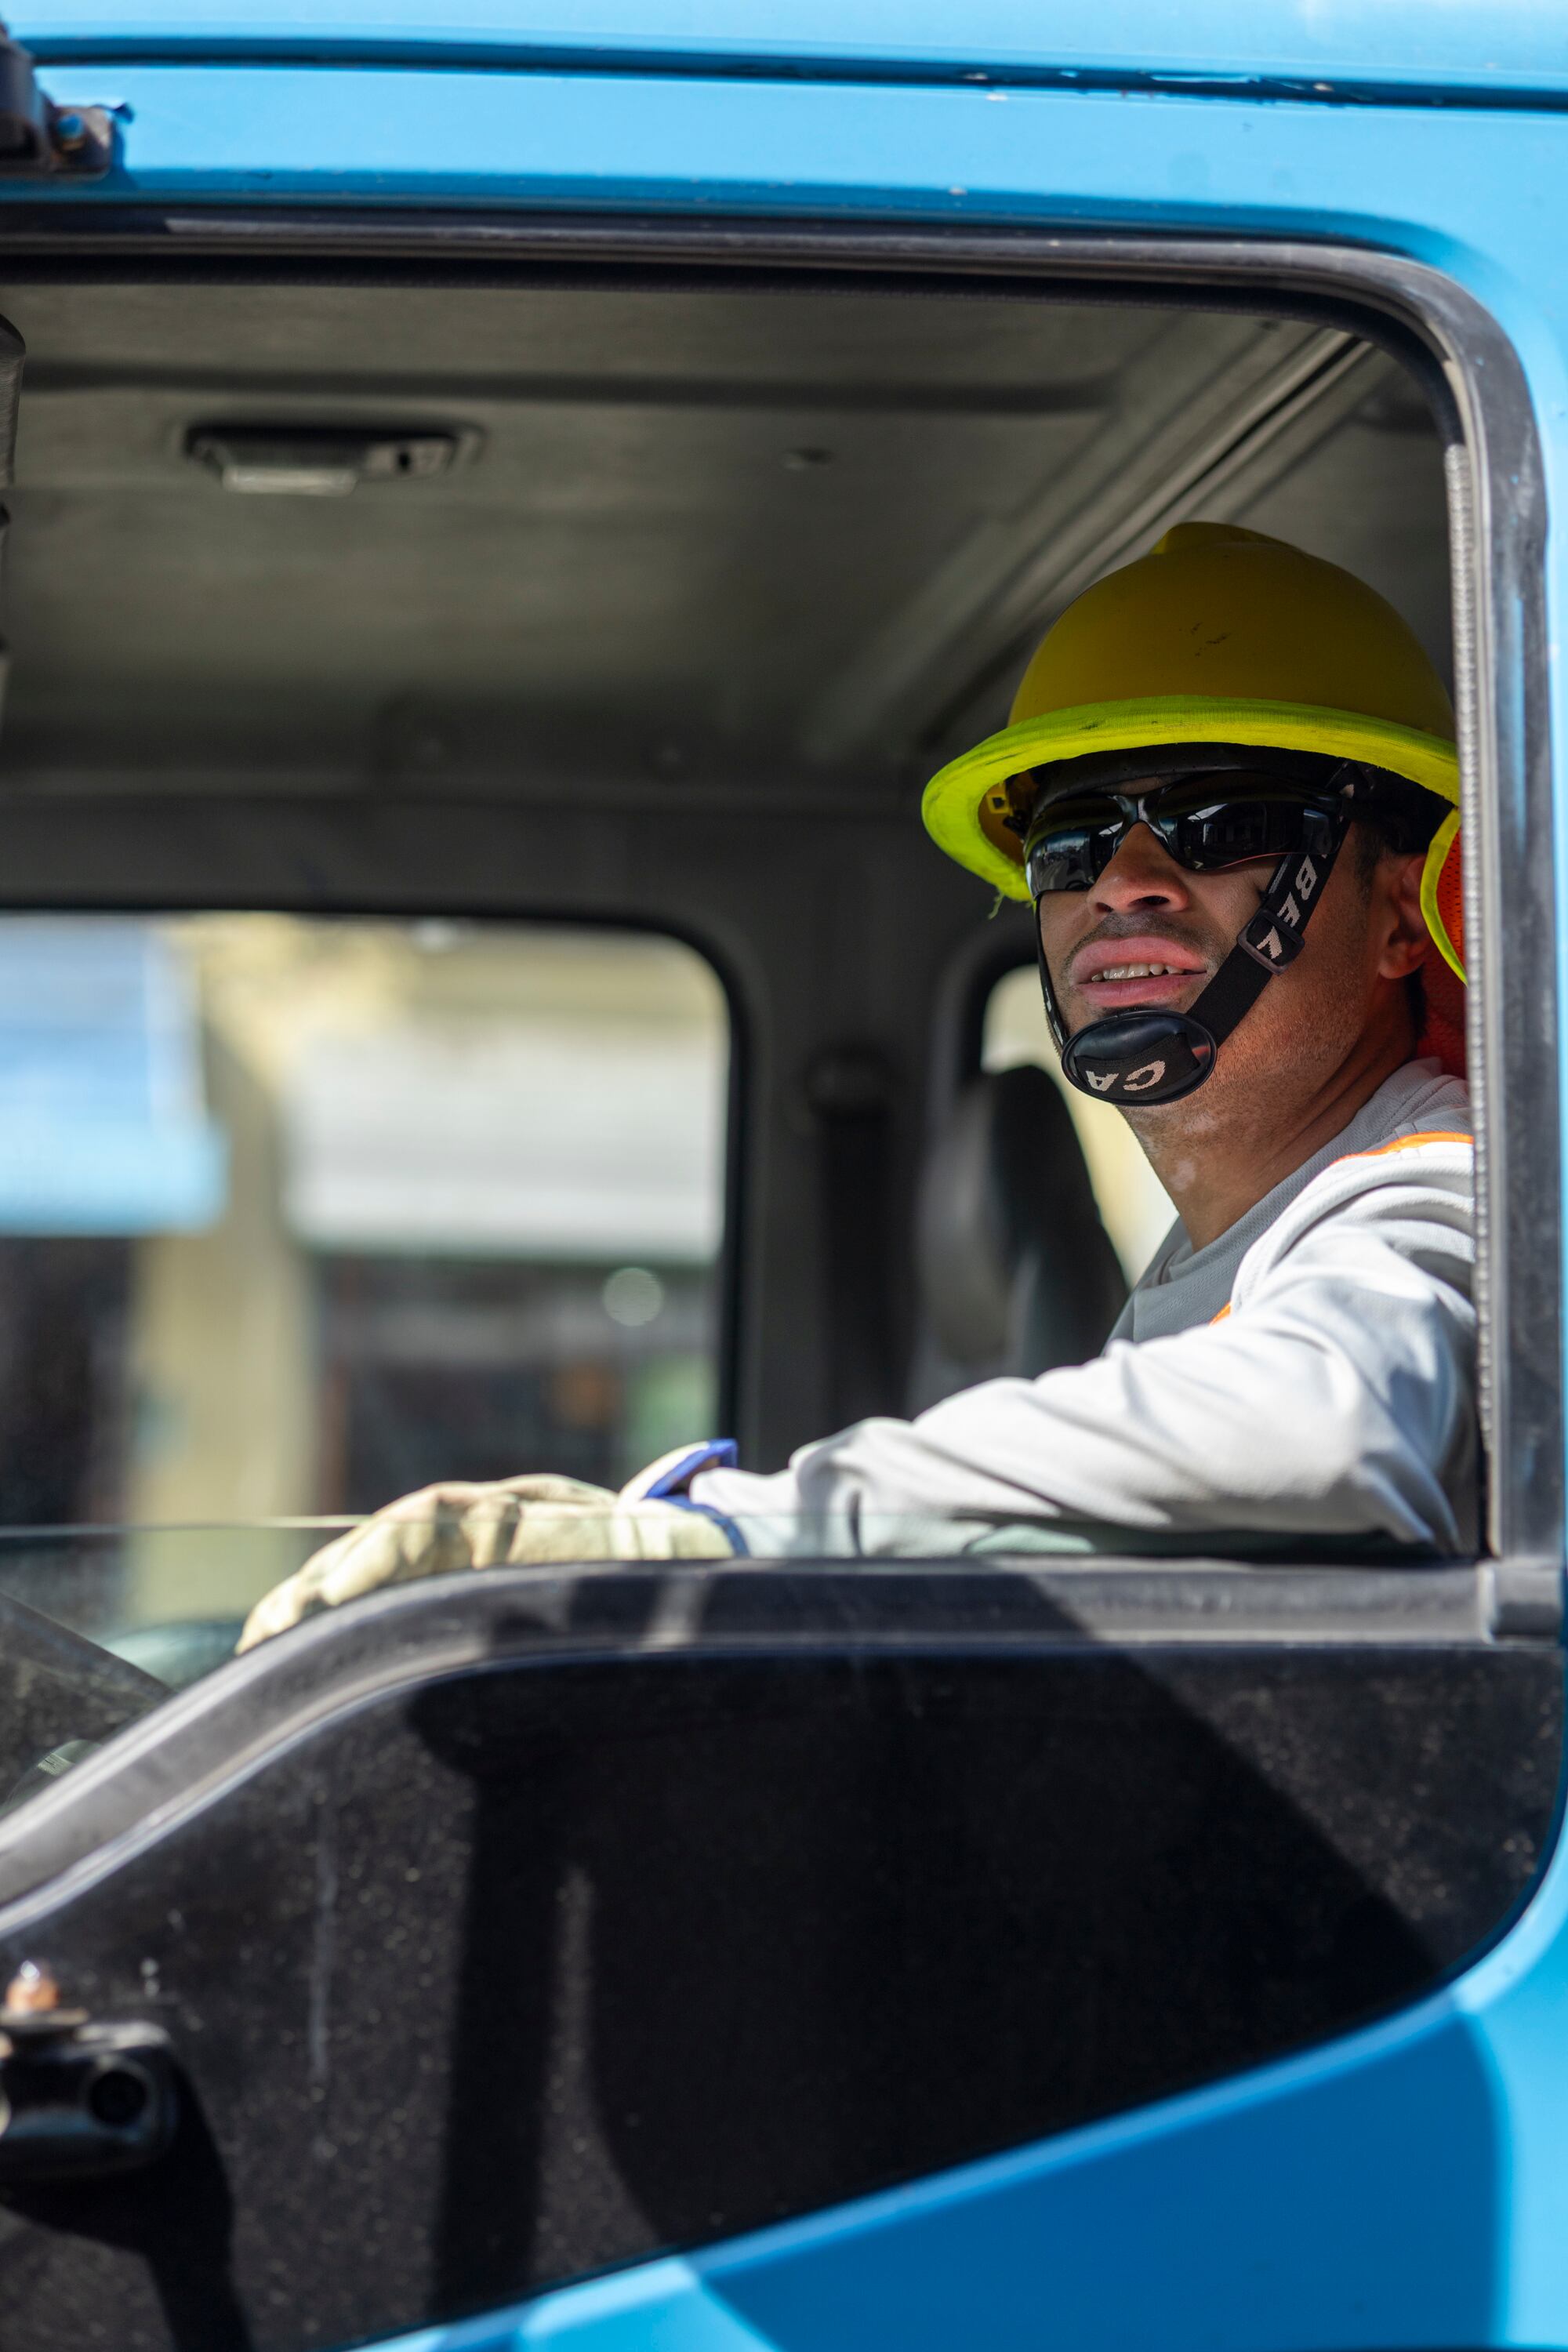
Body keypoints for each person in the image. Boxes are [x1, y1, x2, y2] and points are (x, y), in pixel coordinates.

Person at [238, 523, 1474, 1650]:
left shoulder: (1455, 1190)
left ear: (1402, 916)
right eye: (1073, 841)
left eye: (1221, 823)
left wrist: (716, 1533)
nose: (1125, 883)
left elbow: (1321, 1430)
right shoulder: (1226, 1257)